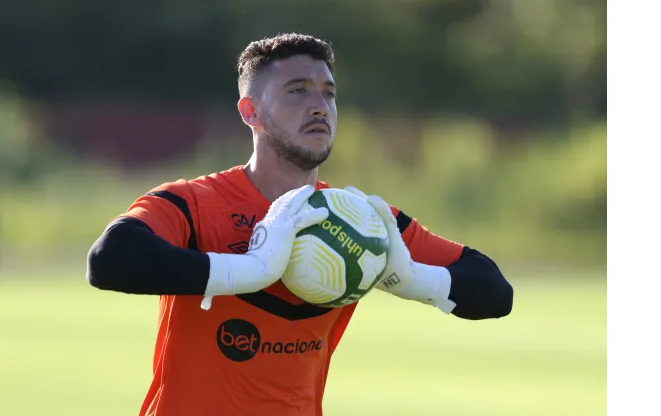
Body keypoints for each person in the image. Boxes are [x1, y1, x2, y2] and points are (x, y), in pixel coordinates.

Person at [86, 33, 513, 416]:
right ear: (250, 111)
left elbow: (494, 290)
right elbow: (110, 259)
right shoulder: (196, 203)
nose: (318, 107)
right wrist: (251, 270)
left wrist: (417, 279)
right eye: (296, 92)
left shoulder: (360, 220)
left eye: (328, 94)